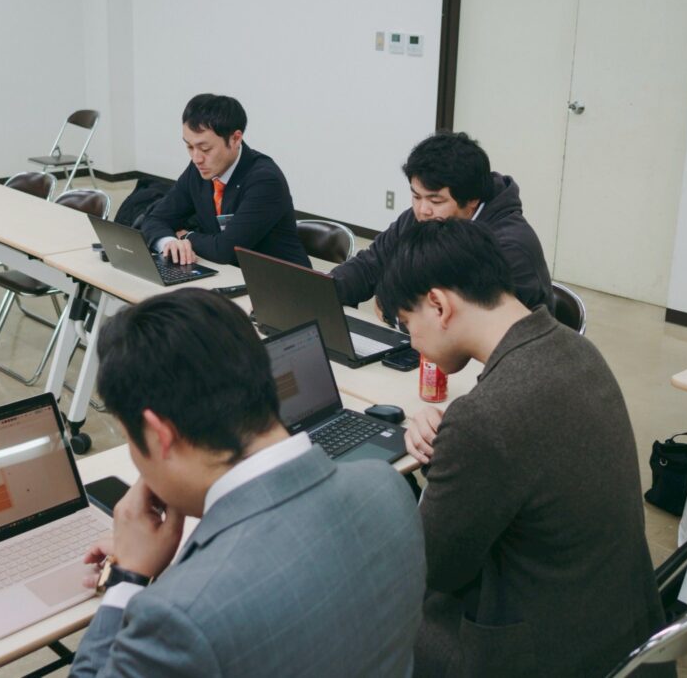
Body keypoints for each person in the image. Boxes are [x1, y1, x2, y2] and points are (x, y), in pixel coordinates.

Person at [69, 289, 425, 677]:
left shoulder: (179, 617)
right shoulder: (386, 487)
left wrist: (127, 577)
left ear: (158, 435)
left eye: (129, 438)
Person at [375, 221, 672, 677]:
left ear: (438, 304)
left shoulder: (483, 418)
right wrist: (452, 445)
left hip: (547, 654)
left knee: (363, 606)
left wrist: (451, 448)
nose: (411, 341)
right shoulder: (576, 349)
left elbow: (436, 571)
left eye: (406, 323)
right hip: (621, 626)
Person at [331, 131, 554, 315]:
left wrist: (396, 313)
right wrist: (326, 291)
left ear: (472, 200)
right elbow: (370, 265)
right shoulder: (422, 218)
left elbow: (468, 323)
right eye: (416, 196)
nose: (422, 210)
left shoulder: (509, 248)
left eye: (436, 201)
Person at [138, 93, 311, 267]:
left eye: (205, 148)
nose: (196, 158)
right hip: (229, 273)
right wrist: (169, 242)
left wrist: (185, 236)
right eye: (189, 146)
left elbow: (225, 250)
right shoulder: (198, 169)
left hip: (278, 278)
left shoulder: (265, 180)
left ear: (235, 139)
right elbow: (155, 218)